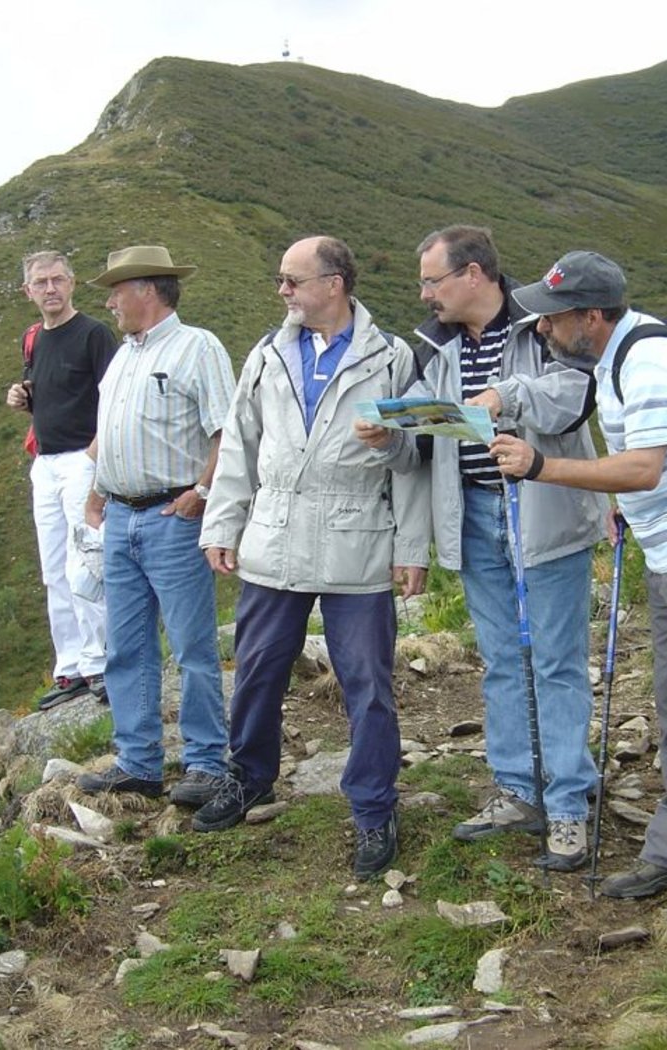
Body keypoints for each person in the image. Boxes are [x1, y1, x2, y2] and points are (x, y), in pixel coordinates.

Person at [489, 250, 667, 925]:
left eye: (553, 319)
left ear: (591, 315)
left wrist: (539, 466)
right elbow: (645, 470)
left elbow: (643, 467)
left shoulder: (648, 362)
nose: (543, 331)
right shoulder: (611, 361)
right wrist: (621, 506)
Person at [356, 225, 606, 872]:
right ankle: (519, 790)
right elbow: (422, 436)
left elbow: (570, 398)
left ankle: (571, 805)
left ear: (473, 275)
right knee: (500, 661)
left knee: (555, 661)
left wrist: (493, 401)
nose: (424, 294)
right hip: (474, 517)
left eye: (432, 281)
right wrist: (389, 434)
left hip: (543, 514)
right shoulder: (434, 350)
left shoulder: (544, 324)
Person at [194, 236, 431, 881]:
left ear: (335, 283)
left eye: (293, 281)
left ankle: (375, 807)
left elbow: (415, 463)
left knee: (368, 684)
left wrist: (412, 547)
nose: (283, 292)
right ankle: (250, 778)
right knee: (258, 670)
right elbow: (241, 448)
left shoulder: (392, 358)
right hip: (274, 536)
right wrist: (224, 523)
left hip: (359, 539)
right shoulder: (268, 353)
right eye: (281, 281)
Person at [75, 246, 236, 808]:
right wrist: (98, 492)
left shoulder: (198, 347)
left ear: (147, 290)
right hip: (120, 516)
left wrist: (203, 494)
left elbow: (227, 432)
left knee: (192, 645)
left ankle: (206, 762)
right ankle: (138, 763)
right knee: (127, 646)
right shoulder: (122, 357)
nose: (109, 300)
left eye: (117, 289)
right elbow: (110, 433)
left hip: (173, 516)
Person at [5, 251, 117, 711]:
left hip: (82, 460)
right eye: (40, 282)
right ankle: (69, 666)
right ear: (27, 291)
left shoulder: (93, 335)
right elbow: (51, 395)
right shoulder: (33, 339)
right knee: (54, 570)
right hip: (46, 462)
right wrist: (23, 398)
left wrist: (96, 459)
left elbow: (113, 399)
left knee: (86, 564)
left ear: (72, 284)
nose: (50, 289)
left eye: (57, 280)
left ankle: (102, 663)